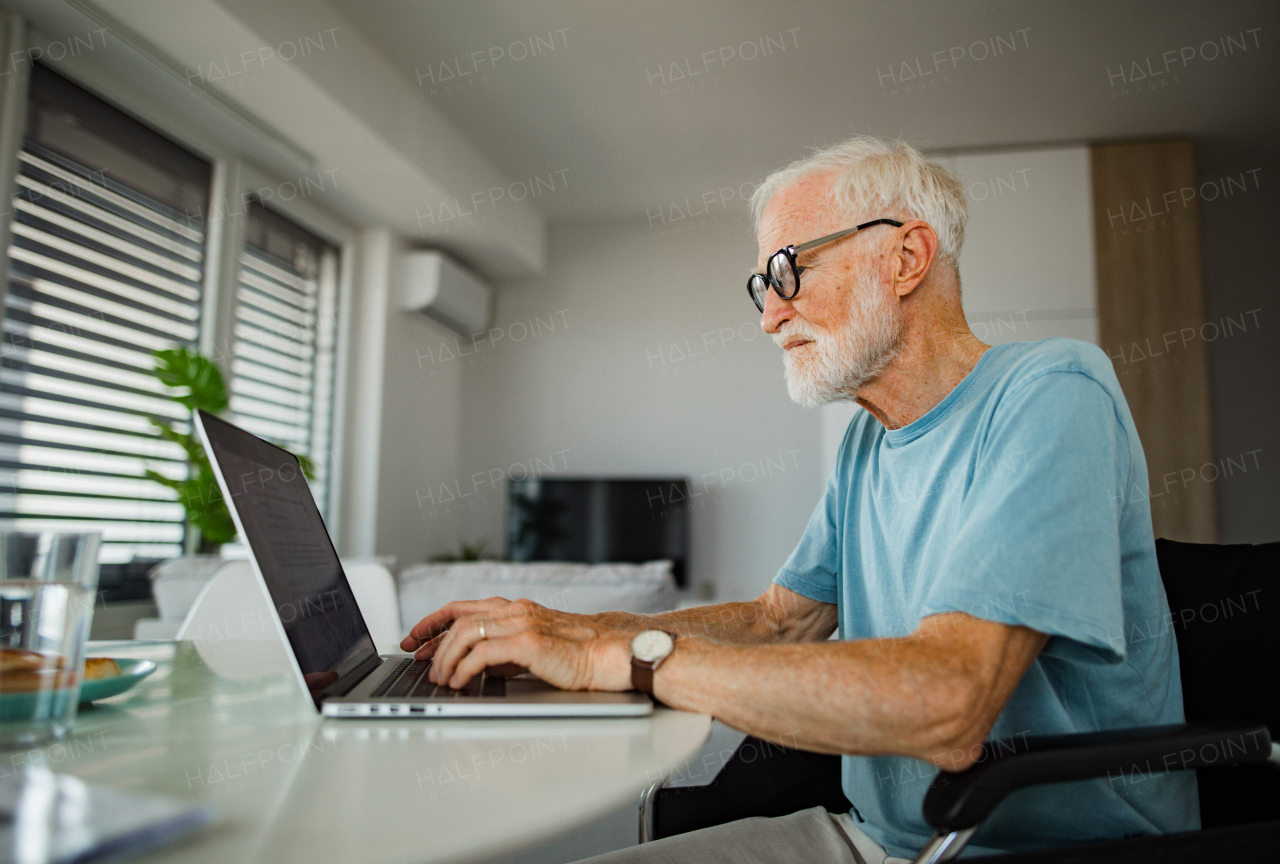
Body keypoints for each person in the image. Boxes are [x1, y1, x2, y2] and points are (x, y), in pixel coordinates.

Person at [400, 136, 1198, 862]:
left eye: (789, 269)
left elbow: (950, 702)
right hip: (880, 835)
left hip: (1039, 846)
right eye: (761, 285)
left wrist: (621, 660)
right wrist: (568, 628)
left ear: (906, 258)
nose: (769, 314)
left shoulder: (1052, 391)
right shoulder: (867, 443)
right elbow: (779, 621)